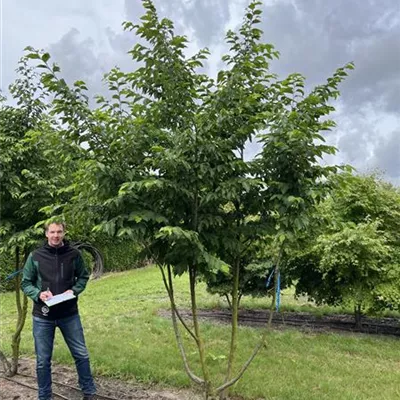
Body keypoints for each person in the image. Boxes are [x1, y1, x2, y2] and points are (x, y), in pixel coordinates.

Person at [21, 220, 96, 400]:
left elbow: (83, 276)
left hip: (69, 314)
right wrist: (38, 294)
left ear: (64, 233)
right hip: (43, 316)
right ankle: (45, 396)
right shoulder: (35, 256)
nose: (56, 235)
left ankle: (89, 392)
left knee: (81, 354)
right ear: (46, 234)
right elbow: (26, 283)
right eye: (52, 232)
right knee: (42, 361)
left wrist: (74, 290)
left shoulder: (74, 254)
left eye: (59, 232)